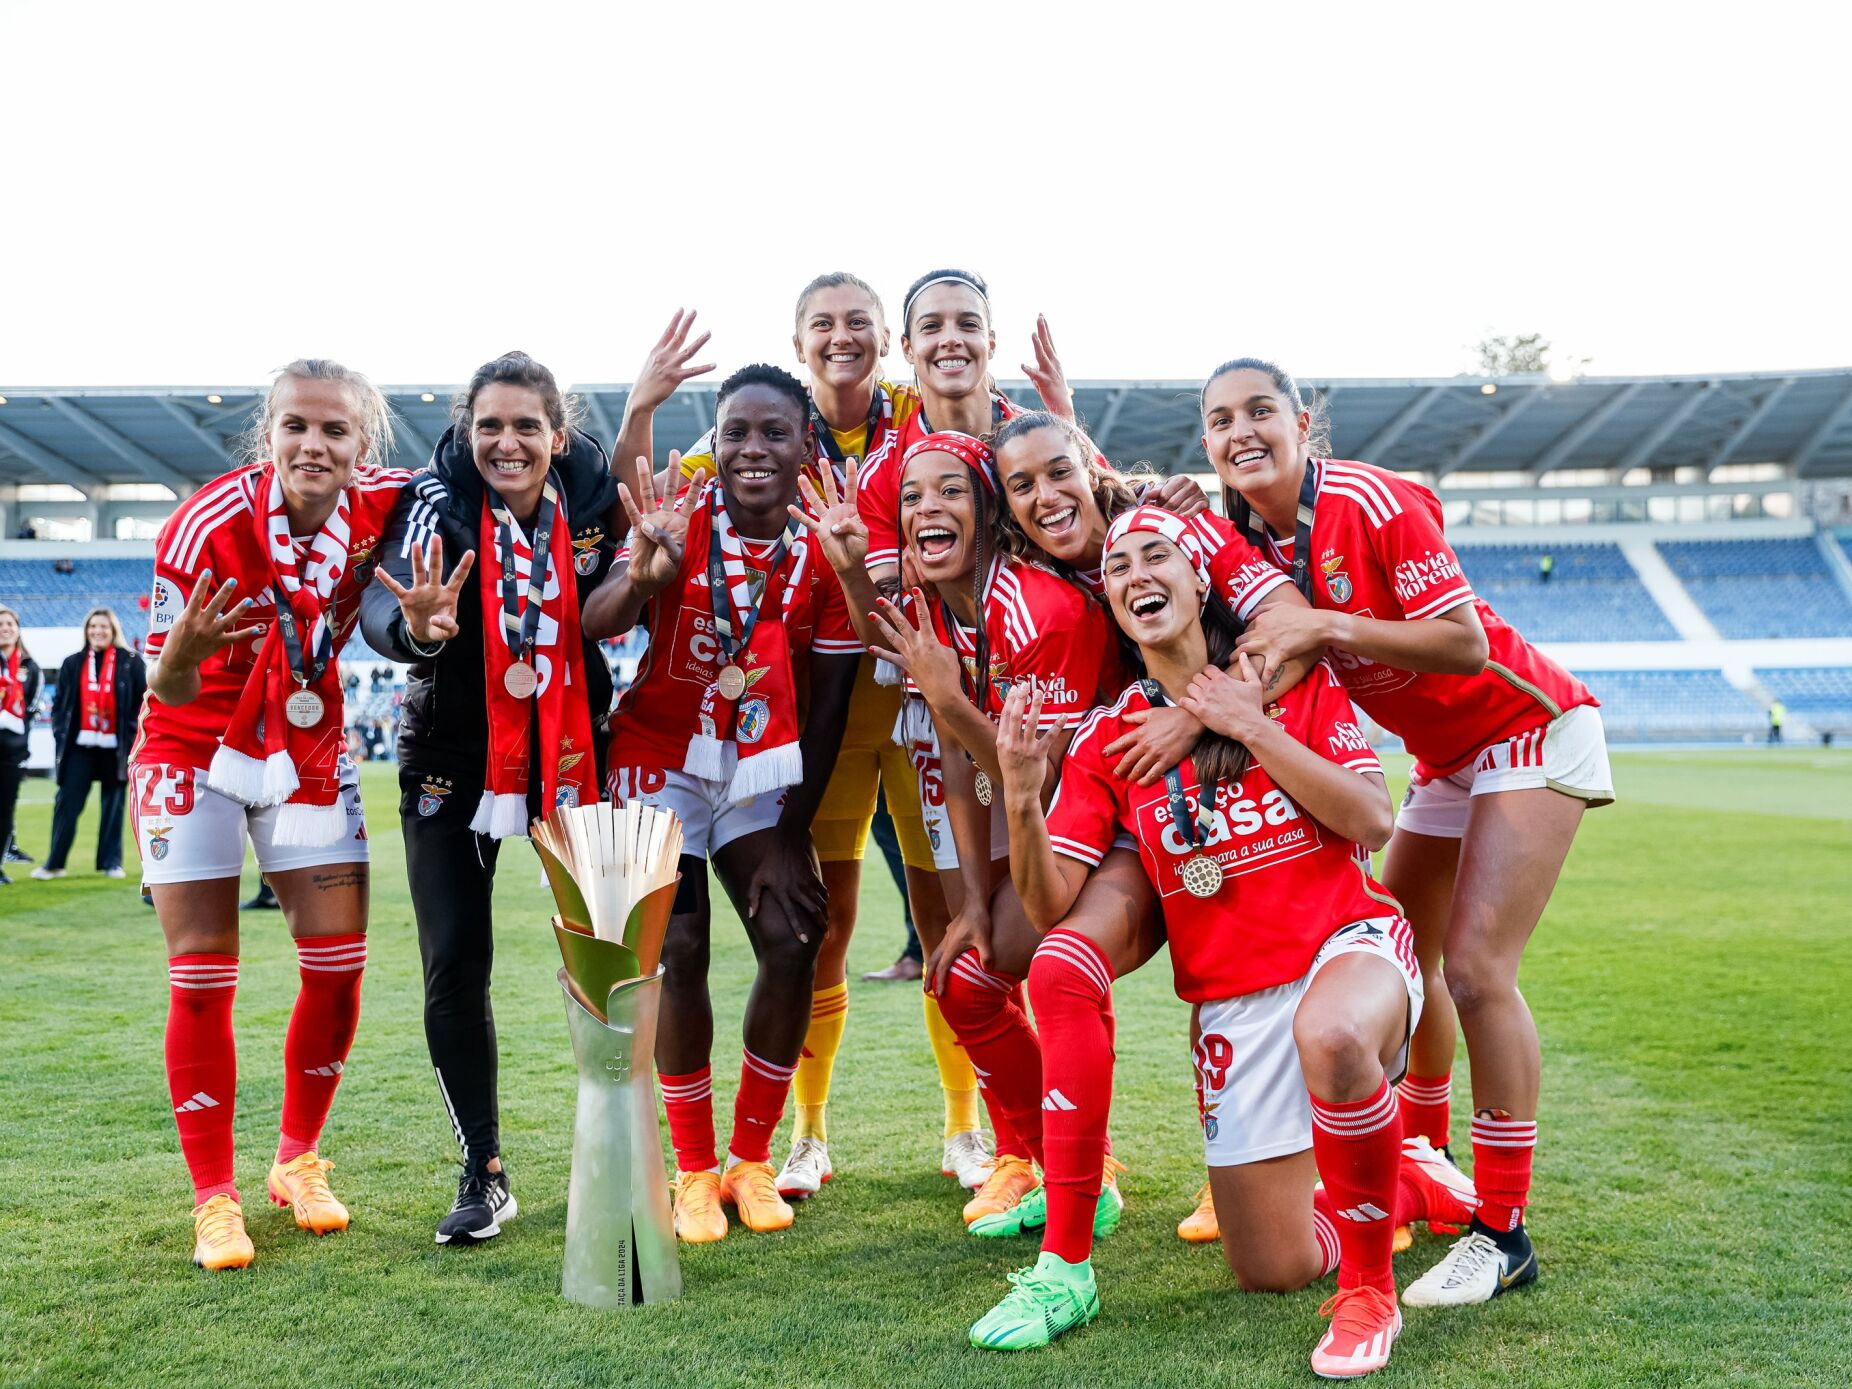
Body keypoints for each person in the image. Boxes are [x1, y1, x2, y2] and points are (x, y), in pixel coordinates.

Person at [974, 504, 1477, 1373]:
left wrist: (1248, 723)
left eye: (1157, 555)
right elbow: (1052, 905)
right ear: (1114, 603)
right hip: (1233, 1001)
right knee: (1269, 1266)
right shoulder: (1108, 736)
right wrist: (1022, 796)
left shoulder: (1288, 681)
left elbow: (1371, 818)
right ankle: (1404, 1180)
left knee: (1334, 1033)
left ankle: (1367, 1292)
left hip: (1347, 948)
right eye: (1119, 566)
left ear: (1198, 579)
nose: (1137, 574)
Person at [1203, 359, 1613, 1307]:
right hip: (1447, 758)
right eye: (1221, 420)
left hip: (1527, 725)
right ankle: (1421, 1160)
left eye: (1261, 410)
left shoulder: (1367, 499)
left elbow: (1465, 643)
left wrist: (1325, 626)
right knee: (1400, 948)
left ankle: (1502, 1233)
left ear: (1303, 422)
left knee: (1474, 968)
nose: (1242, 433)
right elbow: (1136, 521)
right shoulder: (1242, 537)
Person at [616, 286, 996, 1197]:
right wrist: (641, 407)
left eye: (858, 320)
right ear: (797, 340)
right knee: (823, 925)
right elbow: (636, 502)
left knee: (949, 917)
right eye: (822, 324)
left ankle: (967, 1129)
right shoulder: (745, 442)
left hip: (923, 705)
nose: (842, 336)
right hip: (817, 717)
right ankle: (804, 1135)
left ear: (886, 341)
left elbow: (1002, 444)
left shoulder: (921, 419)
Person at [132, 358, 415, 1270]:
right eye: (297, 426)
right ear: (269, 436)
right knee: (204, 975)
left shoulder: (384, 508)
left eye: (335, 430)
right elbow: (162, 685)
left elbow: (480, 466)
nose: (314, 444)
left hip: (306, 748)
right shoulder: (202, 526)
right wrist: (184, 653)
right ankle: (214, 1197)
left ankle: (297, 1159)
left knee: (338, 965)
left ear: (361, 445)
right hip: (190, 747)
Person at [808, 431, 1123, 1230]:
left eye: (949, 490)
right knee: (958, 970)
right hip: (1034, 806)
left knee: (1020, 968)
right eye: (912, 497)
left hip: (1108, 805)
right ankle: (1036, 1162)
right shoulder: (933, 604)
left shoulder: (1040, 606)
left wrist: (949, 699)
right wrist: (974, 907)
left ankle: (1082, 1168)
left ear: (988, 509)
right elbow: (955, 769)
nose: (925, 509)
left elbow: (1040, 773)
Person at [585, 363, 859, 1242]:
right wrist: (640, 574)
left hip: (760, 764)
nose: (753, 448)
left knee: (794, 933)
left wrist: (792, 832)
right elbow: (598, 620)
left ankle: (750, 1157)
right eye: (736, 430)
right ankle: (696, 1168)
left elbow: (832, 698)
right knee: (684, 942)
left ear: (804, 446)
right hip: (660, 752)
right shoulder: (680, 521)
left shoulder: (830, 542)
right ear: (717, 440)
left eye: (775, 432)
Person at [359, 350, 620, 1247]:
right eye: (488, 427)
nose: (506, 443)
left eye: (524, 426)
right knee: (456, 959)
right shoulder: (435, 502)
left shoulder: (596, 499)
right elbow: (386, 603)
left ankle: (624, 1159)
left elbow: (628, 590)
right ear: (467, 434)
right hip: (452, 754)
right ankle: (485, 1169)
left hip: (575, 751)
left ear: (557, 431)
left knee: (611, 955)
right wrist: (418, 627)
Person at [35, 608, 146, 879]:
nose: (98, 631)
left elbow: (140, 704)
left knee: (113, 805)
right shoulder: (72, 662)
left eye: (104, 627)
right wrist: (61, 733)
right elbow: (61, 705)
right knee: (67, 802)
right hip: (79, 746)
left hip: (116, 746)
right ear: (86, 630)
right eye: (93, 626)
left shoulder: (131, 662)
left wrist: (132, 736)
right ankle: (54, 863)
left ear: (113, 631)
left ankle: (111, 863)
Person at [0, 605, 43, 886]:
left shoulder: (30, 666)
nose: (5, 628)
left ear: (18, 630)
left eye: (10, 624)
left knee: (4, 808)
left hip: (12, 750)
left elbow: (32, 709)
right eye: (1, 624)